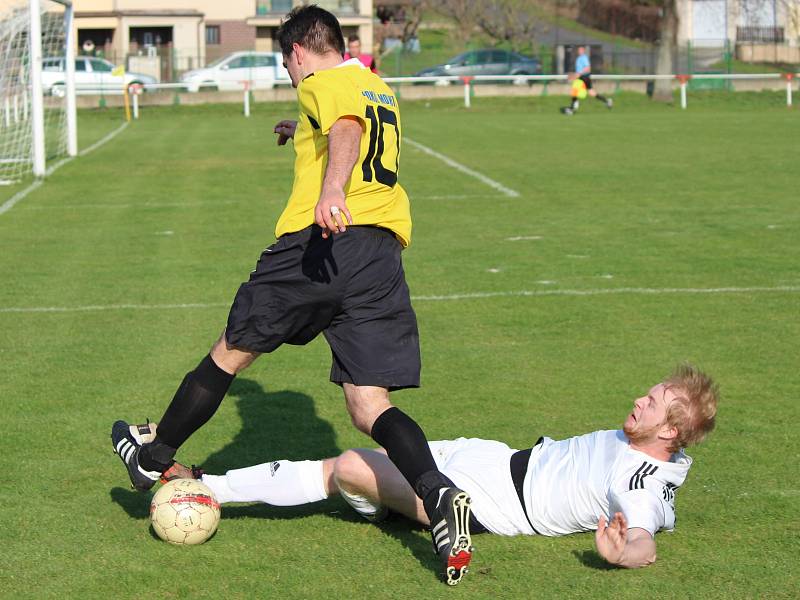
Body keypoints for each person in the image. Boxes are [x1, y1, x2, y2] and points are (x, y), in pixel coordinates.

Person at [110, 5, 473, 586]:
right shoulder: (376, 85)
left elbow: (346, 132)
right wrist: (302, 132)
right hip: (381, 253)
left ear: (298, 51)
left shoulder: (323, 83)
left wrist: (330, 191)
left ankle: (154, 453)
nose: (290, 74)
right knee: (368, 404)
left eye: (286, 63)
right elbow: (348, 124)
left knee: (232, 348)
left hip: (323, 242)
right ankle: (437, 493)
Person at [133, 364, 717, 571]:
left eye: (652, 403)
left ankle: (206, 488)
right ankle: (385, 508)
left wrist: (626, 553)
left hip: (493, 502)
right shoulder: (652, 451)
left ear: (669, 432)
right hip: (492, 457)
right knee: (386, 459)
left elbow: (643, 536)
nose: (639, 400)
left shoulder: (641, 479)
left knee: (348, 466)